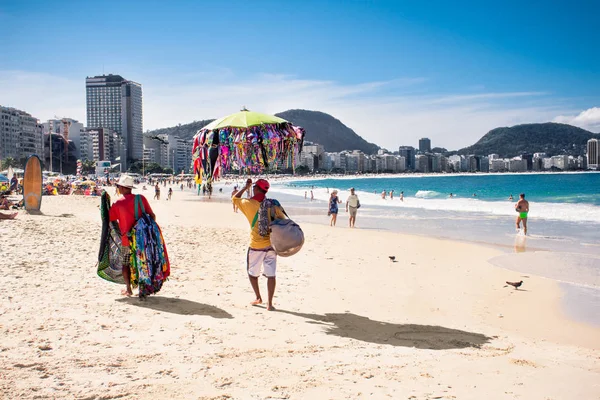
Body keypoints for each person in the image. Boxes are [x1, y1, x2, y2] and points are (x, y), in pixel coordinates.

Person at [232, 178, 285, 311]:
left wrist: (245, 187)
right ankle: (270, 303)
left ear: (256, 189)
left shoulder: (249, 204)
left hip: (256, 245)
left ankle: (258, 297)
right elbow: (282, 221)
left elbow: (234, 198)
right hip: (272, 245)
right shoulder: (273, 204)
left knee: (251, 273)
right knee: (271, 275)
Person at [109, 175, 156, 296]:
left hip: (127, 239)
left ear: (123, 188)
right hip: (143, 240)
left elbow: (110, 219)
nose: (118, 188)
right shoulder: (141, 199)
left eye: (119, 186)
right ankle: (143, 290)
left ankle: (128, 289)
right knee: (143, 263)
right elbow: (152, 216)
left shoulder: (118, 203)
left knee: (126, 264)